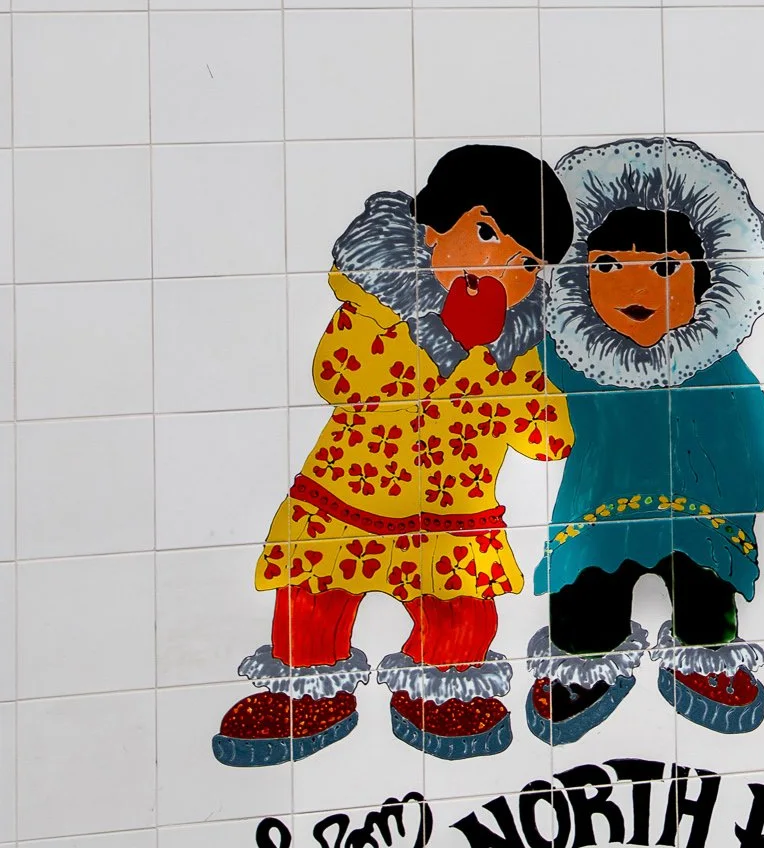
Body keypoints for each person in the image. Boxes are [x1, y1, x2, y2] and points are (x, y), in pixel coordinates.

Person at [213, 144, 574, 765]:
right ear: (432, 228)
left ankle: (440, 688)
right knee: (310, 602)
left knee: (463, 621)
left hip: (452, 518)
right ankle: (307, 689)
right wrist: (421, 339)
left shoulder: (514, 350)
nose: (501, 266)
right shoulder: (375, 311)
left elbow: (548, 440)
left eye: (524, 262)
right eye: (487, 234)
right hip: (346, 501)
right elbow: (335, 376)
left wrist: (502, 372)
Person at [526, 137, 764, 742]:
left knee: (704, 582)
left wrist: (742, 500)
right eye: (608, 267)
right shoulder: (569, 356)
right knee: (583, 584)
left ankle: (705, 653)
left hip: (697, 510)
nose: (635, 289)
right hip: (598, 507)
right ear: (577, 275)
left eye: (665, 268)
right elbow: (528, 401)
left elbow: (758, 436)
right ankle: (586, 658)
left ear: (707, 279)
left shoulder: (711, 364)